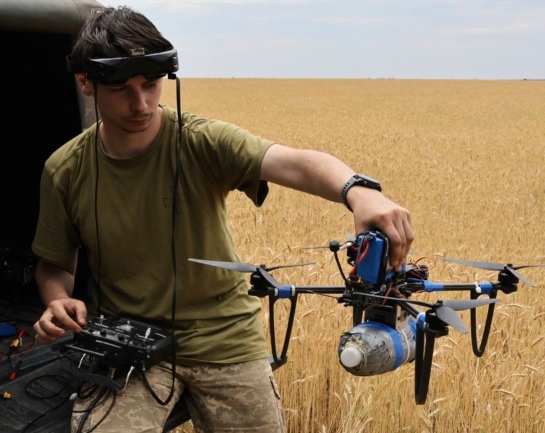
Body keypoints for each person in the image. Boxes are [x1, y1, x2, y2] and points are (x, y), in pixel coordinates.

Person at [31, 5, 414, 433]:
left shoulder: (200, 141)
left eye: (152, 85)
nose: (141, 103)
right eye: (122, 88)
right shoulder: (65, 170)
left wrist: (357, 191)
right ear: (86, 82)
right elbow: (56, 265)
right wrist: (56, 300)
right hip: (130, 344)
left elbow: (293, 163)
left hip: (225, 336)